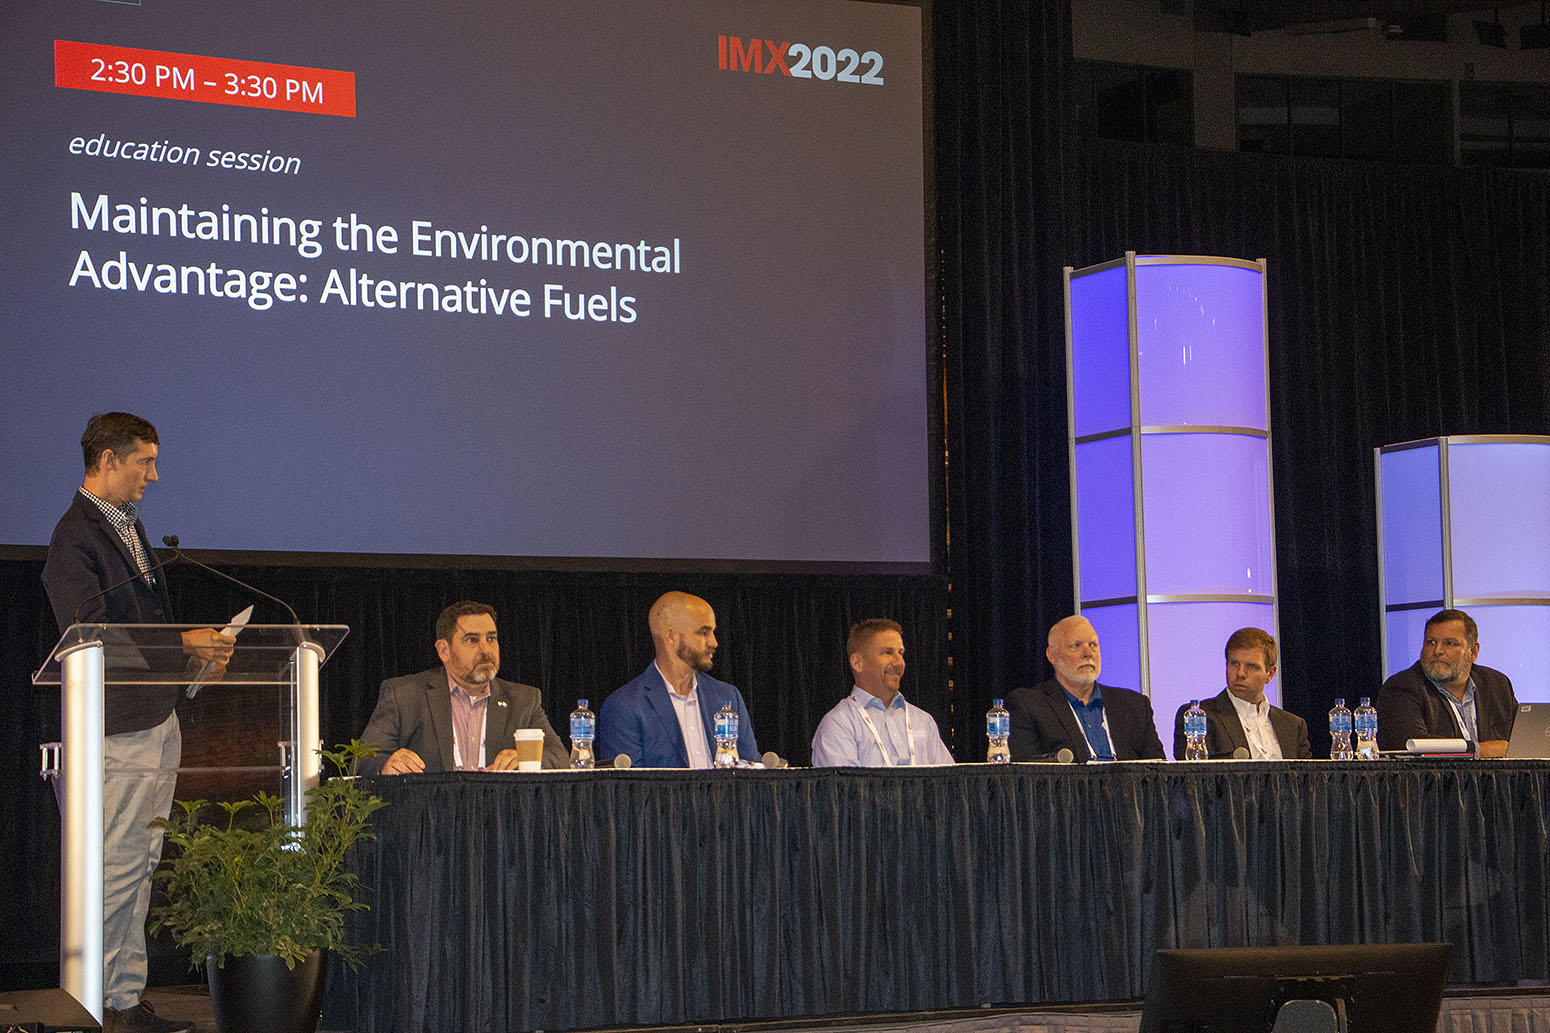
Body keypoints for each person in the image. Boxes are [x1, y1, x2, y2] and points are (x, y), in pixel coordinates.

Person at [41, 412, 234, 1033]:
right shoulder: (75, 538)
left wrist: (195, 660)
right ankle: (88, 1002)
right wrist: (184, 642)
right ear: (107, 461)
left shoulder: (131, 527)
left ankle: (125, 999)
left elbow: (141, 625)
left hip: (157, 713)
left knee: (143, 861)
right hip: (117, 722)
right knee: (115, 864)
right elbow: (92, 632)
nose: (154, 475)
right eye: (143, 461)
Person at [358, 601, 566, 773]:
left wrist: (525, 759)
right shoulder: (404, 696)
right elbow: (361, 762)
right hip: (431, 817)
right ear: (444, 650)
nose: (486, 650)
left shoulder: (524, 700)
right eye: (472, 640)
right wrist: (385, 764)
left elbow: (560, 758)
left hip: (500, 818)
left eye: (491, 638)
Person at [598, 591, 759, 767]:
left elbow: (751, 771)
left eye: (713, 632)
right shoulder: (625, 705)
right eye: (703, 632)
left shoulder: (727, 696)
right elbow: (629, 789)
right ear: (671, 636)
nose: (714, 642)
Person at [1006, 615, 1165, 762]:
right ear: (1052, 655)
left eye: (1093, 645)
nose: (1088, 653)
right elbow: (1026, 776)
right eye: (1076, 646)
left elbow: (1159, 772)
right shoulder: (1028, 704)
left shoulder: (1135, 705)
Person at [810, 618, 954, 767]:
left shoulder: (923, 721)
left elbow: (950, 784)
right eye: (887, 652)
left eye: (901, 653)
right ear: (858, 663)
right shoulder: (839, 724)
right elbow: (844, 789)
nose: (899, 663)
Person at [1377, 608, 1518, 757]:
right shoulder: (1401, 687)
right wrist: (1478, 750)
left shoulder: (1497, 684)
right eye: (1431, 642)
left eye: (1449, 643)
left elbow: (1521, 740)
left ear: (1473, 651)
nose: (1437, 650)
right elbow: (1410, 745)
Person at [1171, 627, 1311, 760]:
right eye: (1234, 663)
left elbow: (1308, 781)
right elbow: (1194, 776)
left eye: (1251, 666)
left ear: (1270, 673)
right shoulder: (1200, 716)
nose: (1240, 673)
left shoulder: (1293, 726)